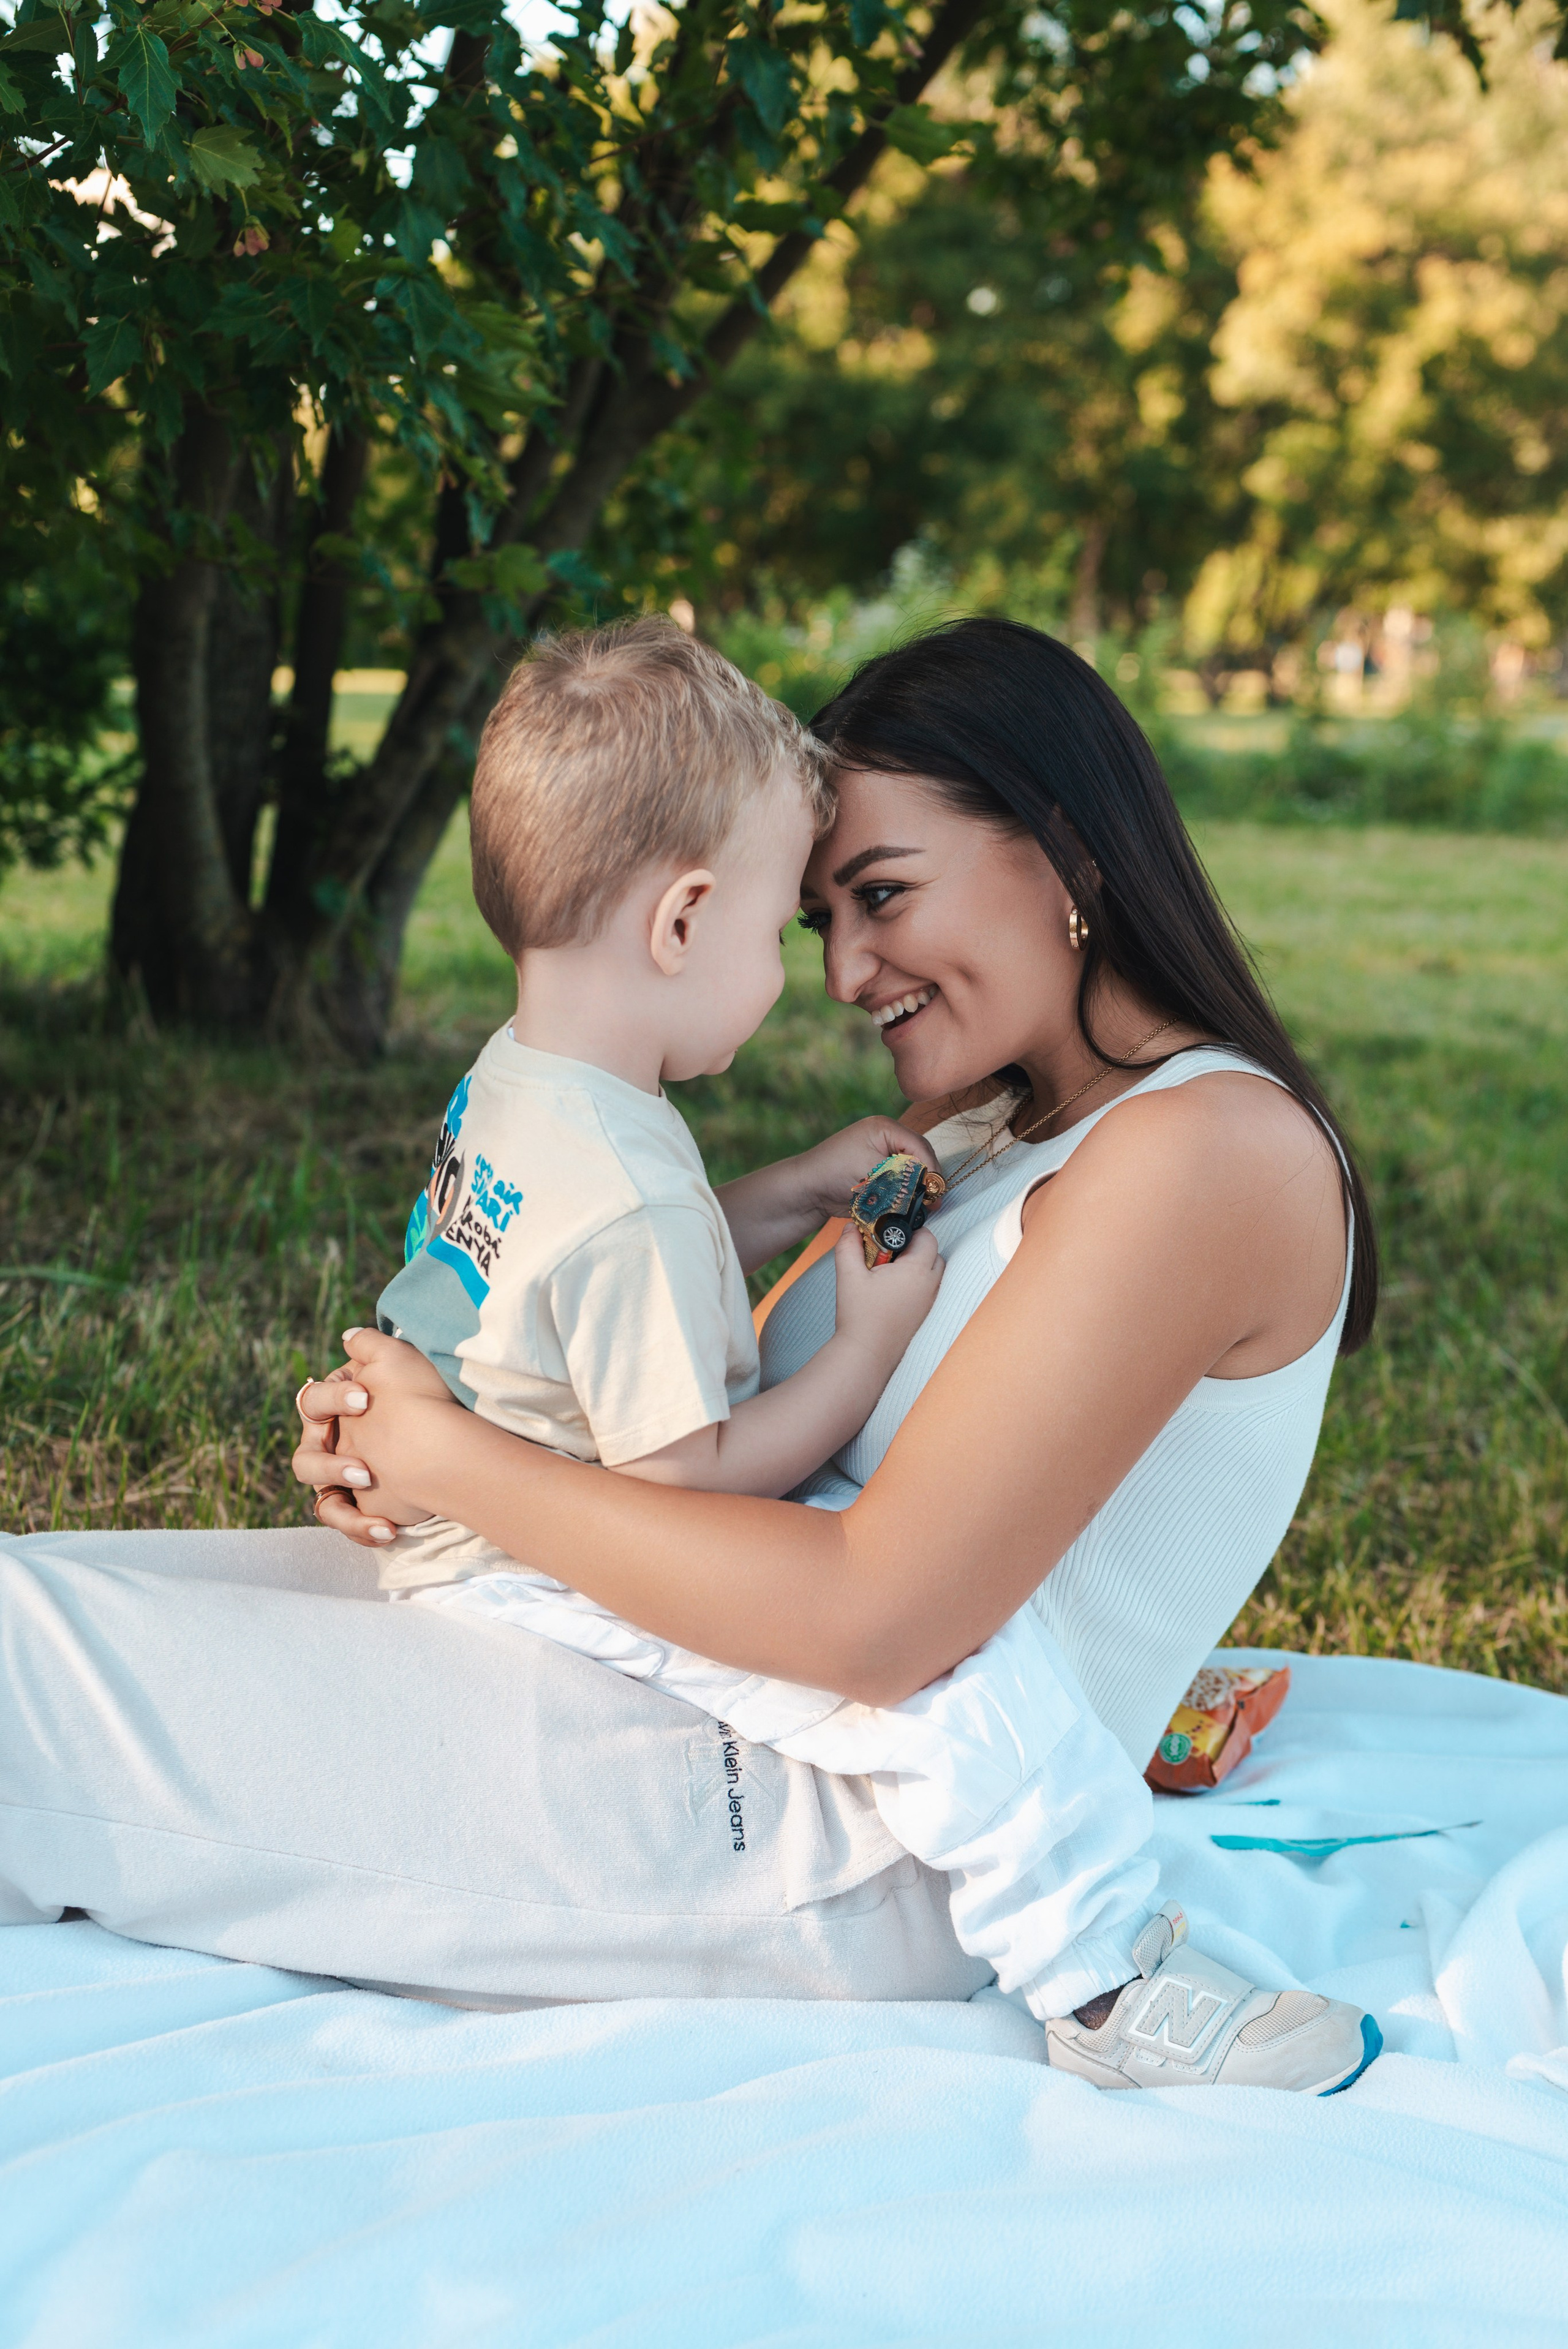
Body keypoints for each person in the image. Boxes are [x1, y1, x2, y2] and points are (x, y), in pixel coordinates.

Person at [0, 617, 1374, 2084]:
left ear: (1065, 856)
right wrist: (414, 1434)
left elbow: (877, 1622)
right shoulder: (994, 1120)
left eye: (880, 896)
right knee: (41, 1592)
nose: (841, 972)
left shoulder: (1205, 1153)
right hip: (672, 1668)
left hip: (832, 1830)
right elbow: (672, 1388)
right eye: (817, 917)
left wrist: (455, 1460)